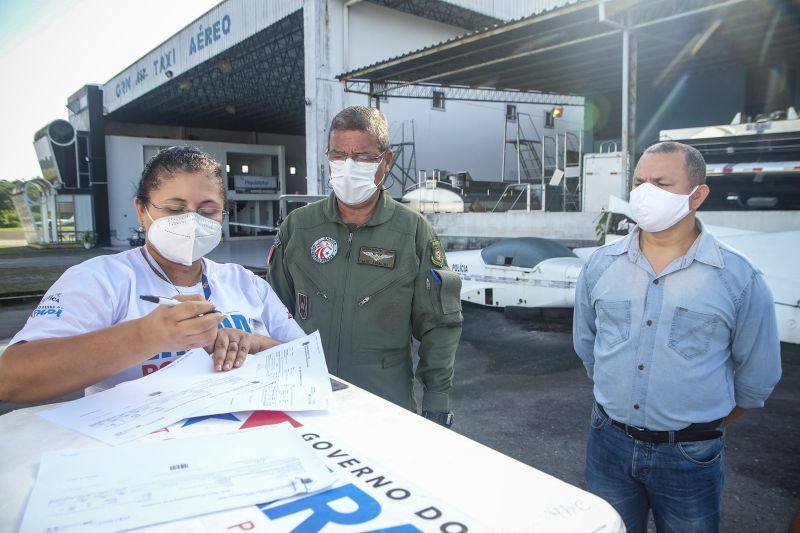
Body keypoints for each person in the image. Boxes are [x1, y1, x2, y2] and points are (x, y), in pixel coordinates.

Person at [573, 141, 782, 532]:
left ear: (697, 195)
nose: (644, 192)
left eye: (661, 183)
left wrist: (695, 429)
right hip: (608, 444)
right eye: (639, 181)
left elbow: (757, 378)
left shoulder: (738, 278)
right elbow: (588, 348)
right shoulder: (601, 266)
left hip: (690, 454)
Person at [0, 146, 304, 402]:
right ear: (141, 211)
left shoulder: (245, 282)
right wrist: (147, 336)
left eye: (208, 211)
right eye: (175, 209)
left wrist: (253, 343)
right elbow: (13, 377)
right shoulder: (101, 279)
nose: (192, 221)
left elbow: (305, 358)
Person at [268, 106, 462, 426]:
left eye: (361, 157)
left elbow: (438, 326)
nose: (348, 166)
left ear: (386, 161)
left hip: (384, 407)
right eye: (338, 154)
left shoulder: (412, 232)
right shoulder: (299, 227)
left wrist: (437, 401)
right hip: (307, 398)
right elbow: (272, 313)